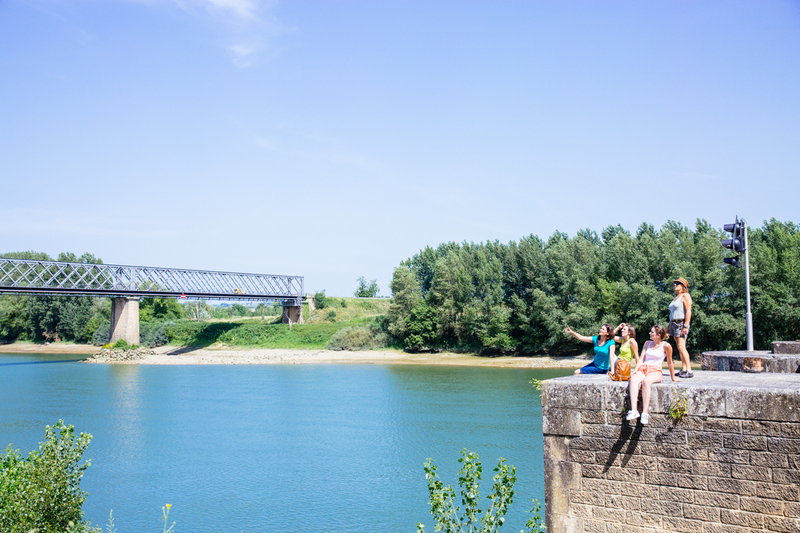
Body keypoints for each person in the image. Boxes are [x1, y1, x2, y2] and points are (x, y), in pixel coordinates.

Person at [626, 324, 681, 425]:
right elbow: (641, 359)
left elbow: (670, 362)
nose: (649, 333)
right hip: (644, 368)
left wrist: (673, 377)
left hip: (655, 370)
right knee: (633, 380)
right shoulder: (647, 343)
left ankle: (645, 413)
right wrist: (635, 370)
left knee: (646, 382)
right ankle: (634, 411)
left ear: (659, 334)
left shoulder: (666, 346)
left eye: (652, 332)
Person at [669, 277, 693, 378]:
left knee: (682, 347)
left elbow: (688, 311)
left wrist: (686, 326)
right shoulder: (676, 297)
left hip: (681, 323)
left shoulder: (685, 296)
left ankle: (689, 370)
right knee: (679, 347)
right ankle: (683, 369)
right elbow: (672, 313)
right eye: (675, 283)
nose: (675, 285)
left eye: (677, 283)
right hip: (673, 323)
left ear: (683, 286)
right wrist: (668, 327)